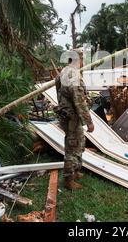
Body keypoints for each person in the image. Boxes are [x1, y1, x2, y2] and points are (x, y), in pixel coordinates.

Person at [55, 49, 95, 190]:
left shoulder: (63, 72)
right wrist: (89, 121)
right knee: (73, 146)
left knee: (78, 142)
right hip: (73, 117)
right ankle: (68, 179)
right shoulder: (72, 74)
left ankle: (75, 171)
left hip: (67, 114)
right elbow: (79, 100)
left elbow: (60, 94)